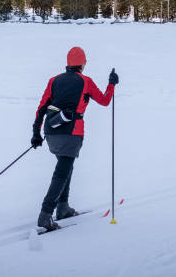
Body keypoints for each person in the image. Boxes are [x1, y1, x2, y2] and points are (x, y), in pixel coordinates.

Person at [31, 45, 119, 232]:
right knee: (62, 171)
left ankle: (63, 208)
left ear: (68, 63)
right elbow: (104, 101)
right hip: (72, 133)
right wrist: (111, 84)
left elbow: (42, 108)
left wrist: (36, 133)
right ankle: (45, 215)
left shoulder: (53, 80)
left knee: (66, 167)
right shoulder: (85, 81)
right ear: (83, 63)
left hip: (51, 132)